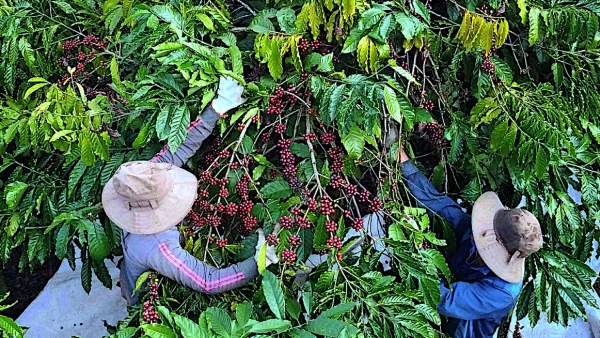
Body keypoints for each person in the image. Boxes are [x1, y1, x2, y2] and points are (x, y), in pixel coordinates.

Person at [101, 77, 278, 304]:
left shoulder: (141, 182)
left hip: (133, 259)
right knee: (139, 298)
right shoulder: (158, 247)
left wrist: (218, 107)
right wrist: (258, 261)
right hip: (144, 290)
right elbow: (209, 281)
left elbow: (180, 148)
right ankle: (131, 299)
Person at [398, 145, 543, 338]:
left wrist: (413, 255)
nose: (477, 236)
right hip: (444, 290)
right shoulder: (477, 231)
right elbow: (440, 207)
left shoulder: (502, 291)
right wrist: (404, 164)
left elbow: (445, 299)